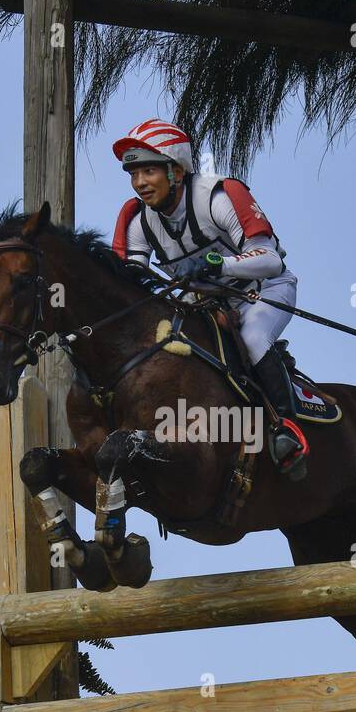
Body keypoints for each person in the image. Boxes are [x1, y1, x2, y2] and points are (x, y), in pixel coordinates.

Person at [111, 118, 308, 480]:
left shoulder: (218, 196)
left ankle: (287, 430)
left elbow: (270, 259)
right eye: (134, 174)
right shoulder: (138, 220)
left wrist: (218, 264)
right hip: (202, 303)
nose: (139, 183)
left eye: (149, 171)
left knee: (251, 338)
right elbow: (131, 283)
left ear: (176, 171)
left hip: (262, 292)